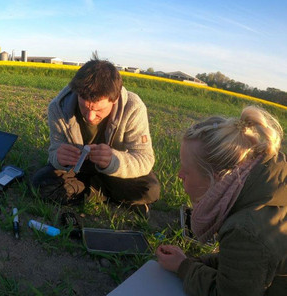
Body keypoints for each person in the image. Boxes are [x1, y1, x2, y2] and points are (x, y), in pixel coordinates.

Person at [156, 106, 287, 295]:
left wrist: (184, 268)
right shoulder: (266, 190)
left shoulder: (244, 229)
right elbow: (247, 264)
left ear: (217, 179)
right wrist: (192, 263)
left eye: (187, 170)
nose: (179, 175)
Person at [31, 58, 160, 214]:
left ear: (115, 99)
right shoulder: (58, 107)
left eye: (99, 110)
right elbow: (54, 150)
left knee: (150, 190)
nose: (90, 117)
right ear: (77, 93)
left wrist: (112, 160)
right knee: (40, 184)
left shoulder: (133, 108)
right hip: (77, 169)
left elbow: (144, 159)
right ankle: (111, 194)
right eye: (85, 108)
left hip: (115, 170)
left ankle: (89, 191)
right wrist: (58, 157)